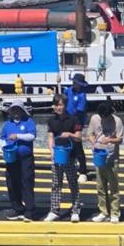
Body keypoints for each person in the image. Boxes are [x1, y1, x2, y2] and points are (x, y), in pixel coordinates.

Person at [44, 94, 82, 222]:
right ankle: (54, 210)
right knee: (56, 183)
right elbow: (50, 136)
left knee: (73, 183)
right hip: (57, 155)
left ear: (65, 105)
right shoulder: (51, 120)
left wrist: (70, 134)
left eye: (60, 105)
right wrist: (51, 151)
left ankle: (76, 210)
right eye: (56, 105)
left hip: (70, 155)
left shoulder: (73, 119)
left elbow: (79, 137)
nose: (58, 107)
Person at [0, 100, 36, 221]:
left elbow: (32, 136)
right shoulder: (7, 124)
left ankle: (30, 210)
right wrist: (3, 150)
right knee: (12, 183)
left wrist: (18, 136)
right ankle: (18, 208)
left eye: (18, 109)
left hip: (26, 158)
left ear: (22, 111)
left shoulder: (29, 122)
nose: (16, 112)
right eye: (13, 110)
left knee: (27, 182)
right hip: (11, 158)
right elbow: (2, 139)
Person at [88, 102, 124, 223]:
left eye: (107, 117)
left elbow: (120, 139)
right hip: (99, 155)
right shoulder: (94, 118)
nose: (104, 119)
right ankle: (103, 211)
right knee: (100, 186)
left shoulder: (117, 121)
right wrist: (93, 143)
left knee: (113, 187)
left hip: (112, 157)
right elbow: (90, 134)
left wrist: (110, 140)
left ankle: (115, 212)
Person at [64, 73, 89, 183]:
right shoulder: (68, 91)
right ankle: (70, 168)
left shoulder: (82, 95)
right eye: (74, 82)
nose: (75, 84)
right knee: (67, 145)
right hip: (66, 121)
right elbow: (63, 100)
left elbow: (79, 112)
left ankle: (83, 171)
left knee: (77, 146)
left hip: (76, 122)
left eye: (77, 83)